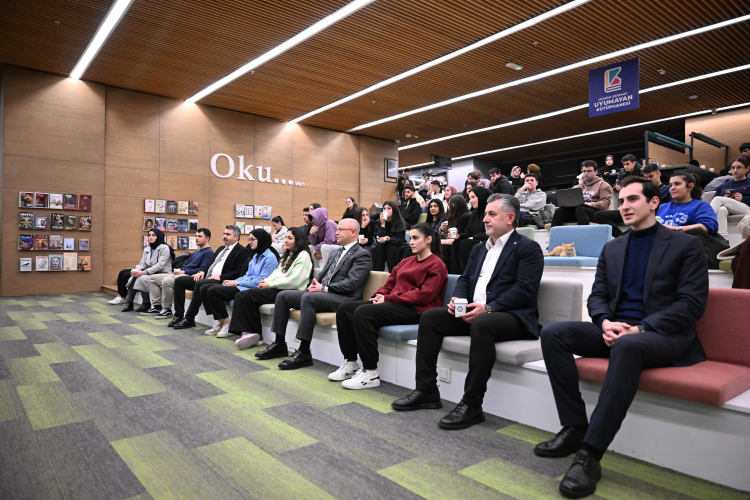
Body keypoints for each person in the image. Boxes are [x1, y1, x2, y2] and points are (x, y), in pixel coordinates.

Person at [536, 176, 709, 498]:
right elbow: (598, 295)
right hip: (616, 331)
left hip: (663, 335)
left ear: (653, 202)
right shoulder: (613, 247)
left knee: (628, 346)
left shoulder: (686, 245)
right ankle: (575, 427)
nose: (624, 206)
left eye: (632, 199)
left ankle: (590, 455)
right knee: (553, 333)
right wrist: (604, 322)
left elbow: (691, 304)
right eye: (622, 200)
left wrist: (640, 328)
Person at [391, 194, 544, 428]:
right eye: (486, 214)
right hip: (475, 311)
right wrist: (457, 298)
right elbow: (464, 278)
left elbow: (525, 289)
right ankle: (426, 390)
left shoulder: (528, 248)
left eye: (492, 214)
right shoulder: (479, 249)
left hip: (512, 317)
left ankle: (472, 404)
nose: (485, 219)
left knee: (483, 323)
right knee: (431, 318)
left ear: (510, 217)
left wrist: (489, 308)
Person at [331, 223, 448, 389]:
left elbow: (423, 295)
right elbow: (389, 285)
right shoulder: (406, 261)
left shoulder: (437, 265)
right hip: (396, 304)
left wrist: (388, 298)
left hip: (418, 310)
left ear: (428, 239)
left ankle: (370, 372)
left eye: (415, 238)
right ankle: (351, 362)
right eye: (410, 238)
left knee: (363, 313)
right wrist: (378, 296)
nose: (411, 242)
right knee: (345, 309)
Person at [256, 218, 373, 369]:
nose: (336, 232)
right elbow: (323, 275)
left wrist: (324, 288)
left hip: (345, 298)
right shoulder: (335, 252)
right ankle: (279, 343)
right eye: (337, 229)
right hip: (325, 294)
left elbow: (352, 282)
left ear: (353, 232)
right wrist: (314, 284)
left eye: (340, 229)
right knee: (283, 296)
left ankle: (304, 351)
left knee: (308, 298)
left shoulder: (362, 254)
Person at [228, 227, 315, 349]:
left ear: (299, 240)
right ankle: (247, 332)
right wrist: (265, 281)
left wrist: (270, 285)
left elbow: (295, 280)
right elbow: (276, 273)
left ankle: (255, 334)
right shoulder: (289, 255)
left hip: (291, 292)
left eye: (290, 238)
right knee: (242, 295)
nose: (286, 240)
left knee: (249, 294)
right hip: (280, 289)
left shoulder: (303, 255)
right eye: (286, 237)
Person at [201, 229, 280, 337]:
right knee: (206, 288)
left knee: (213, 291)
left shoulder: (270, 258)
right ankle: (222, 322)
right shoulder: (255, 256)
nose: (250, 242)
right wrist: (233, 281)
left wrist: (237, 284)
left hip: (253, 289)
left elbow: (261, 281)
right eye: (249, 239)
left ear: (261, 240)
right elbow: (247, 276)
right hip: (244, 286)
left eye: (252, 239)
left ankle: (227, 324)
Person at [169, 226, 251, 328]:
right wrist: (202, 272)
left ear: (236, 237)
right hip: (208, 277)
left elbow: (239, 272)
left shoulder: (243, 251)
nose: (224, 236)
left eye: (228, 234)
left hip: (223, 280)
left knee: (200, 283)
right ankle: (178, 315)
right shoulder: (221, 248)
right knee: (180, 281)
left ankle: (189, 318)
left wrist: (220, 277)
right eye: (224, 234)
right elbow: (210, 265)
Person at [658, 171, 725, 268]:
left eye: (677, 184)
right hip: (662, 250)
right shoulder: (661, 208)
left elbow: (708, 225)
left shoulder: (701, 205)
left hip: (687, 251)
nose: (672, 188)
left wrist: (675, 229)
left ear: (690, 186)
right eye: (671, 185)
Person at [147, 228, 214, 319]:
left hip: (189, 276)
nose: (196, 238)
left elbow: (203, 270)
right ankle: (157, 306)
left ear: (207, 239)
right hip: (182, 273)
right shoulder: (196, 252)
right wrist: (179, 270)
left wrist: (184, 271)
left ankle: (167, 309)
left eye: (199, 236)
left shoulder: (209, 253)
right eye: (196, 236)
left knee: (167, 280)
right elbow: (186, 265)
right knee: (153, 278)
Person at [594, 162, 670, 237]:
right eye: (646, 177)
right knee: (600, 215)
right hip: (635, 210)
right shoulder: (642, 190)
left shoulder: (668, 190)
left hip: (652, 215)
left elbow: (670, 208)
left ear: (659, 174)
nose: (648, 179)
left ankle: (623, 238)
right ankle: (621, 237)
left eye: (651, 176)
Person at [121, 229, 173, 312]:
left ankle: (146, 303)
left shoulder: (165, 248)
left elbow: (160, 265)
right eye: (149, 235)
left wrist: (144, 272)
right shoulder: (147, 249)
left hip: (162, 273)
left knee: (142, 278)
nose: (150, 237)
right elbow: (142, 263)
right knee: (134, 277)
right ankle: (129, 303)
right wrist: (136, 270)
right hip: (151, 273)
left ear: (159, 237)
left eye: (153, 235)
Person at [551, 160, 612, 227]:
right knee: (559, 211)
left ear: (596, 172)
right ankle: (554, 233)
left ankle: (583, 233)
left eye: (589, 171)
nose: (586, 173)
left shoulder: (603, 185)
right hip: (579, 212)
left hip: (596, 213)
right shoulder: (577, 187)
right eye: (584, 171)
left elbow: (605, 204)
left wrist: (591, 204)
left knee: (581, 209)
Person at [710, 157, 750, 240]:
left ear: (747, 169)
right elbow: (713, 200)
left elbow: (716, 199)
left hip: (746, 208)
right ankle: (722, 239)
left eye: (739, 167)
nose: (735, 170)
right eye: (733, 168)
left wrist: (743, 198)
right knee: (721, 209)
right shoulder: (723, 186)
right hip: (728, 208)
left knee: (718, 199)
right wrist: (724, 198)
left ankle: (705, 220)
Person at [453, 186, 491, 274]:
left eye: (473, 197)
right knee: (456, 243)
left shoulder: (490, 213)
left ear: (481, 196)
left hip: (486, 242)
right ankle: (457, 274)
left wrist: (474, 237)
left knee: (466, 243)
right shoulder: (474, 214)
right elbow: (468, 232)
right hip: (474, 241)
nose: (470, 201)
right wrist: (459, 235)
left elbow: (492, 232)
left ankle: (467, 274)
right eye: (470, 198)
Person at [371, 200, 407, 271]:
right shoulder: (379, 221)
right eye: (384, 208)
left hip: (397, 245)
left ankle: (393, 272)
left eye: (389, 208)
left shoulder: (400, 222)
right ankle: (377, 272)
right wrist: (383, 224)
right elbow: (378, 238)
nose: (386, 210)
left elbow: (400, 239)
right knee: (379, 246)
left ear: (394, 210)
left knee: (391, 247)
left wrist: (389, 239)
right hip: (384, 244)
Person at [440, 194, 471, 273]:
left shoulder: (465, 217)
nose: (448, 207)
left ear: (453, 205)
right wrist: (442, 229)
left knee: (443, 248)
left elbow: (456, 238)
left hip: (461, 244)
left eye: (449, 204)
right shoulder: (457, 216)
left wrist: (436, 241)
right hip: (457, 243)